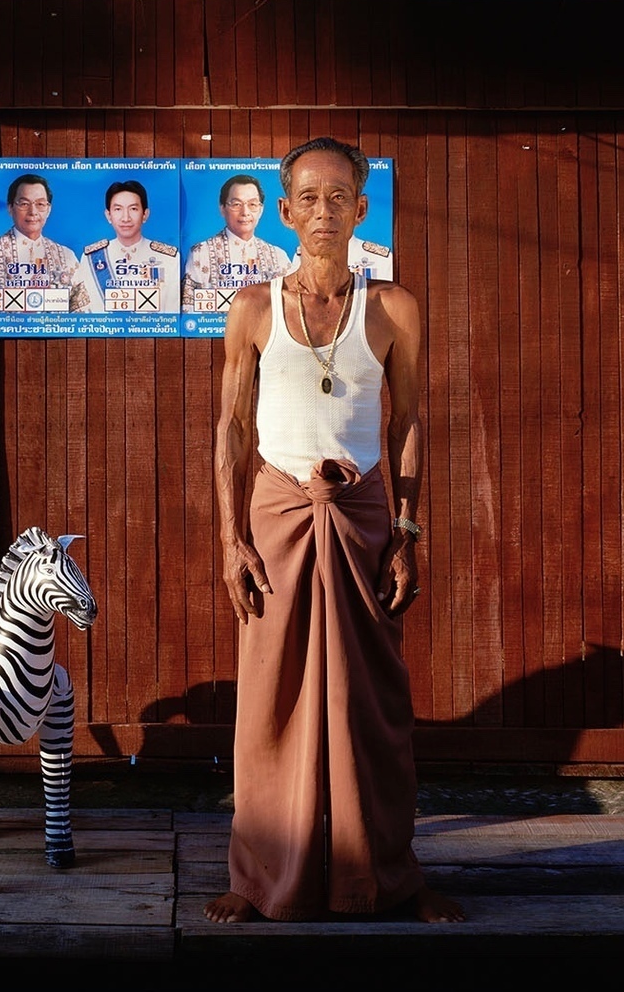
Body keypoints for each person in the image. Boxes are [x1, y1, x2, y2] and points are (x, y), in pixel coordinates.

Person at [205, 137, 463, 926]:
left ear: (361, 209)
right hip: (277, 520)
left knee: (374, 702)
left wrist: (409, 531)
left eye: (339, 197)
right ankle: (258, 880)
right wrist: (230, 540)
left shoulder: (393, 309)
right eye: (308, 199)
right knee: (269, 702)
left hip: (362, 520)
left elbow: (411, 422)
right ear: (285, 214)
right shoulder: (252, 309)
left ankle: (388, 876)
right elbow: (232, 425)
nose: (324, 211)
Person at [182, 174, 292, 311]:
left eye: (252, 204)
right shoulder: (201, 253)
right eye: (236, 204)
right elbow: (189, 312)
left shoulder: (278, 256)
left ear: (261, 210)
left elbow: (289, 310)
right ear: (222, 208)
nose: (245, 212)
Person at [69, 178, 180, 314]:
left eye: (133, 209)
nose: (125, 218)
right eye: (118, 209)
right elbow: (83, 312)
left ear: (145, 214)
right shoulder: (91, 258)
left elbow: (172, 314)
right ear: (108, 215)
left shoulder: (168, 258)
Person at [0, 173, 78, 306]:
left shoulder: (67, 256)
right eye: (24, 203)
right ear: (10, 208)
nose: (33, 211)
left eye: (40, 204)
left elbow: (82, 311)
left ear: (48, 210)